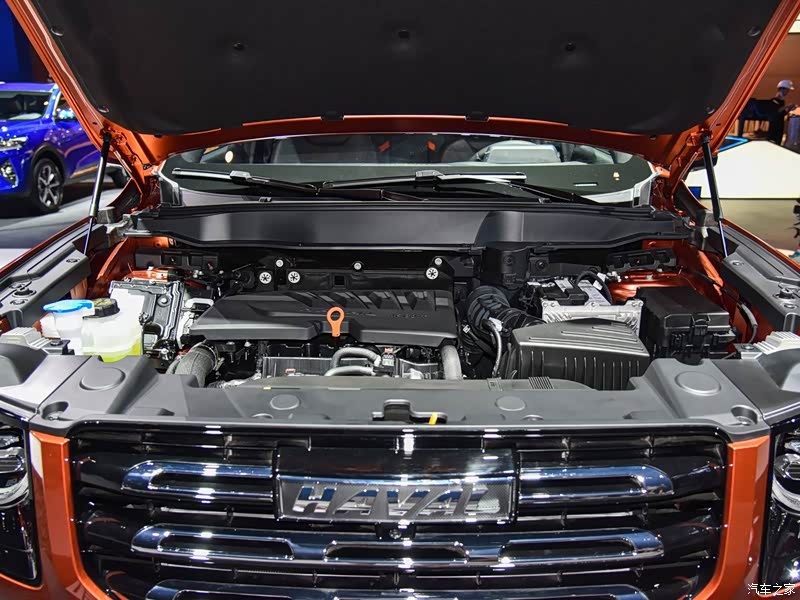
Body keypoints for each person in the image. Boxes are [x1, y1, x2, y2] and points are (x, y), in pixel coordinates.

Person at [767, 80, 797, 145]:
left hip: (780, 124)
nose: (788, 92)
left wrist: (789, 109)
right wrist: (787, 106)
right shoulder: (775, 100)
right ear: (782, 89)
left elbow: (781, 113)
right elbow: (777, 110)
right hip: (775, 125)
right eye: (787, 90)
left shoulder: (782, 100)